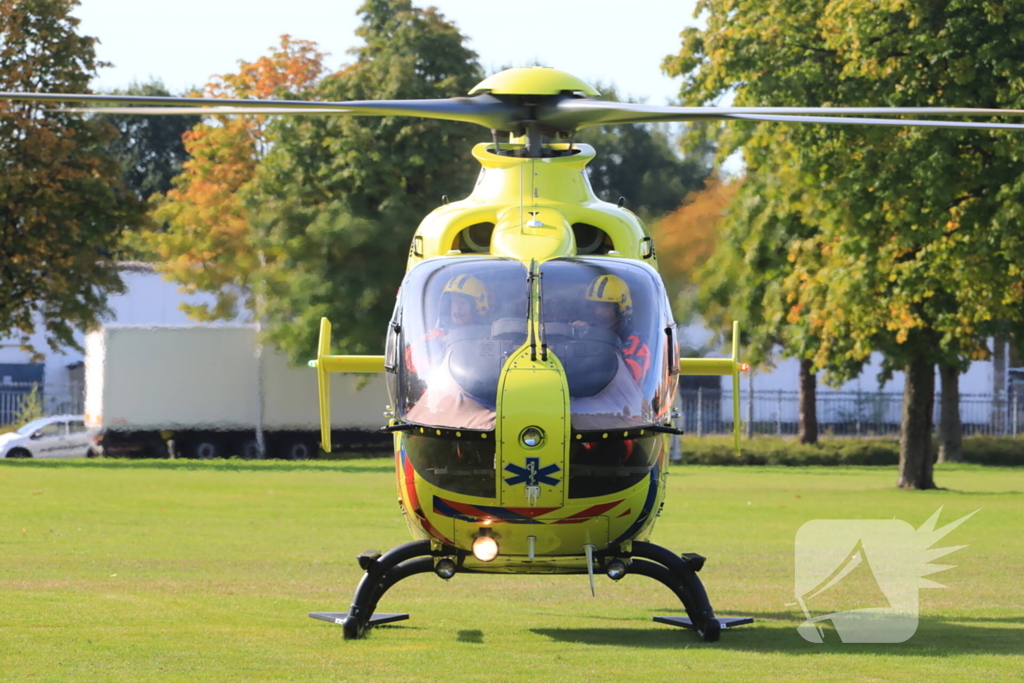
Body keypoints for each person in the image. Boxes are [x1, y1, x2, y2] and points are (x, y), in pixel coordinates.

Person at [405, 273, 489, 374]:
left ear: (477, 308)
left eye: (462, 303)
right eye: (453, 302)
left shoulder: (488, 335)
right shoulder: (436, 335)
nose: (456, 308)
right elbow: (409, 360)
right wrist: (436, 343)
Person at [579, 274, 651, 383]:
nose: (598, 311)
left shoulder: (636, 342)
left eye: (605, 305)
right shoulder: (583, 331)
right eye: (595, 305)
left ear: (620, 307)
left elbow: (629, 378)